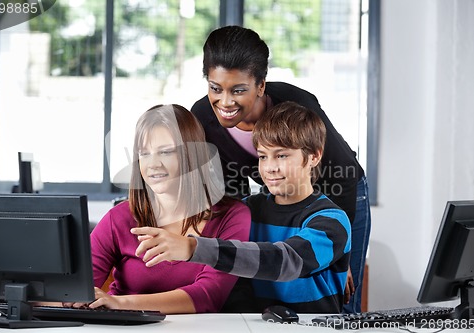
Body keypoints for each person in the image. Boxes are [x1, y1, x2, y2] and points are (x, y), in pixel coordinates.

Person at [190, 25, 371, 313]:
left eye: (238, 90)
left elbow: (343, 177)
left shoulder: (297, 104)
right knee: (272, 288)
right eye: (215, 88)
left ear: (260, 85)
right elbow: (230, 191)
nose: (225, 102)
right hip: (277, 192)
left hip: (340, 191)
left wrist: (341, 260)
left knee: (339, 289)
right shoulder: (202, 117)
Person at [132, 101, 351, 314]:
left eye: (282, 155)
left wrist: (192, 248)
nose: (270, 168)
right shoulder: (244, 210)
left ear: (314, 156)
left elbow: (286, 262)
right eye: (263, 156)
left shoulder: (332, 220)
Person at [88, 104, 251, 314]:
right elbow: (76, 287)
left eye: (165, 152)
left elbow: (209, 296)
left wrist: (121, 303)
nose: (153, 164)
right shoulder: (118, 218)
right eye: (144, 154)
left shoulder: (232, 216)